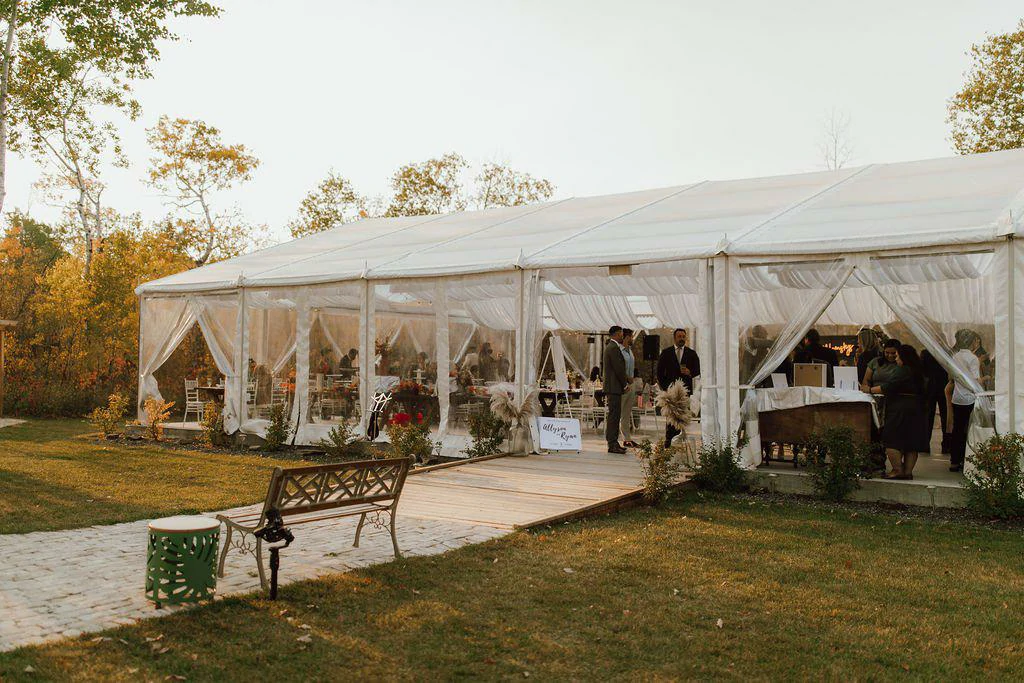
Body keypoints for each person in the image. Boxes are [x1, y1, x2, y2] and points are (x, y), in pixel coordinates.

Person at [868, 344, 929, 479]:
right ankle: (907, 472)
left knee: (891, 439)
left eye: (897, 356)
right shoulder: (918, 371)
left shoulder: (902, 370)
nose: (895, 359)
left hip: (899, 408)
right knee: (911, 442)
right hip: (917, 408)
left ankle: (897, 470)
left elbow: (889, 387)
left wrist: (870, 390)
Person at [656, 328, 700, 448]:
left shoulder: (691, 353)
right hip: (670, 392)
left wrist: (689, 372)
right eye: (679, 336)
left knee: (682, 417)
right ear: (674, 338)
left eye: (683, 336)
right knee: (671, 417)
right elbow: (659, 373)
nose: (681, 339)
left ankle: (681, 440)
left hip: (685, 392)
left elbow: (698, 370)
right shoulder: (666, 352)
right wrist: (666, 389)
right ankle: (669, 441)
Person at [946, 329, 981, 472]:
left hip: (957, 397)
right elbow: (975, 380)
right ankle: (968, 459)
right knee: (970, 430)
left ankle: (955, 460)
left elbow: (952, 377)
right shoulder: (972, 358)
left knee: (957, 429)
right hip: (970, 398)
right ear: (972, 342)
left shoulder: (955, 357)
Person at [602, 325, 628, 454]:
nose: (622, 336)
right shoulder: (613, 348)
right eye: (621, 334)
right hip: (614, 387)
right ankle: (612, 443)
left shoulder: (611, 347)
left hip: (613, 387)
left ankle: (613, 442)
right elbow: (618, 369)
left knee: (614, 415)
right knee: (614, 416)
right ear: (617, 334)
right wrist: (625, 384)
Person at [921, 348, 949, 454]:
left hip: (930, 388)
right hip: (943, 386)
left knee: (928, 417)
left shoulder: (926, 352)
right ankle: (946, 445)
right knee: (946, 416)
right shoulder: (946, 352)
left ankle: (925, 444)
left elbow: (922, 371)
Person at [619, 329, 640, 448]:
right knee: (620, 413)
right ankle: (617, 439)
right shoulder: (619, 351)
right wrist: (626, 379)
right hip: (623, 385)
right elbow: (618, 369)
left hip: (631, 384)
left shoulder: (630, 351)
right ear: (627, 337)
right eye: (631, 336)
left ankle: (627, 439)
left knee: (627, 413)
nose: (632, 338)